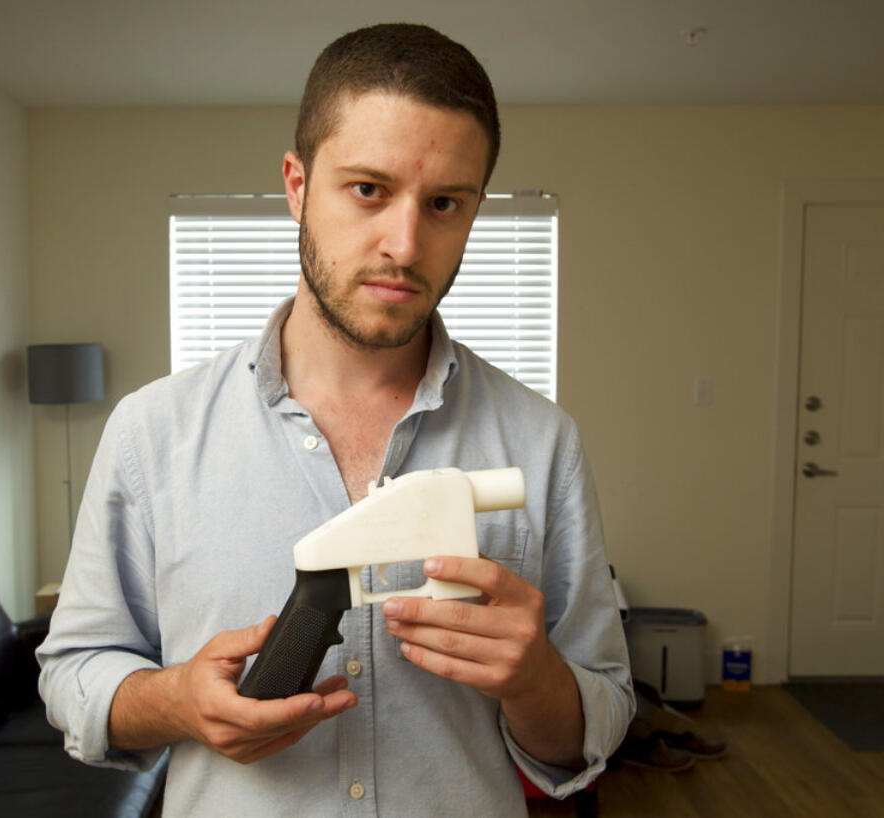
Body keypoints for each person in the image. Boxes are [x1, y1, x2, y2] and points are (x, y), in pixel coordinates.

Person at [37, 22, 634, 816]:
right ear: (295, 184)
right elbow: (73, 673)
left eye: (446, 203)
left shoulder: (542, 444)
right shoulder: (153, 434)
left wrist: (537, 682)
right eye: (368, 190)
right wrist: (178, 701)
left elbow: (594, 724)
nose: (405, 242)